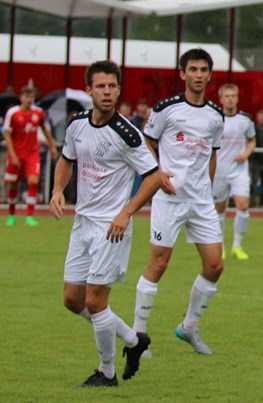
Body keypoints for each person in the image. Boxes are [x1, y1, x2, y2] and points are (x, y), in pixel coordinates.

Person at [50, 60, 171, 387]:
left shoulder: (127, 132)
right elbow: (66, 159)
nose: (107, 92)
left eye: (112, 87)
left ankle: (106, 372)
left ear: (119, 90)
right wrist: (58, 190)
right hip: (83, 222)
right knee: (72, 300)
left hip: (111, 228)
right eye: (101, 86)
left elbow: (154, 176)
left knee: (95, 301)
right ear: (88, 90)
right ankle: (133, 340)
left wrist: (125, 213)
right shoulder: (76, 124)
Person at [133, 48, 225, 356]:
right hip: (168, 198)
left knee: (214, 266)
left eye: (204, 70)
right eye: (193, 69)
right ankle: (138, 335)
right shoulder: (166, 109)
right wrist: (158, 173)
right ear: (182, 74)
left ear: (210, 75)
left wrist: (208, 191)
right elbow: (146, 142)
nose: (199, 74)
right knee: (158, 264)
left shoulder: (215, 115)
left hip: (200, 202)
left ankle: (188, 328)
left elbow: (212, 153)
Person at [211, 83, 256, 260]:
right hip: (220, 170)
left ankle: (237, 246)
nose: (230, 99)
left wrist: (245, 154)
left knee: (243, 205)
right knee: (219, 208)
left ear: (237, 98)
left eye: (233, 96)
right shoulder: (215, 120)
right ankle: (220, 245)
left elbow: (252, 140)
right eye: (227, 96)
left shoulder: (246, 120)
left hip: (239, 170)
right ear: (221, 99)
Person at [4, 86, 58, 226]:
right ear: (21, 97)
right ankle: (11, 214)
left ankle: (29, 216)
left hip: (32, 154)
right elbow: (7, 134)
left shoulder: (38, 113)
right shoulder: (13, 113)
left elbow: (44, 129)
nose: (29, 100)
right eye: (27, 97)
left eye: (31, 98)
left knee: (33, 181)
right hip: (16, 153)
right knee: (13, 184)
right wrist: (12, 154)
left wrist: (52, 146)